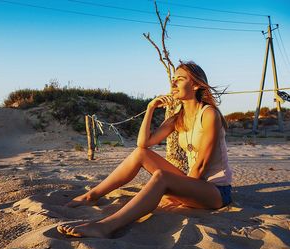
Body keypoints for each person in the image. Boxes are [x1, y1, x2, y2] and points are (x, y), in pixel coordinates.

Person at [57, 61, 232, 238]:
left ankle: (105, 226)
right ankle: (91, 196)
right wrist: (150, 108)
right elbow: (143, 143)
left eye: (180, 79)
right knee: (140, 154)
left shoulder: (209, 114)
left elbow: (201, 165)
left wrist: (180, 191)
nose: (173, 84)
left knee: (162, 177)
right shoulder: (178, 118)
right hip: (194, 183)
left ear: (195, 84)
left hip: (216, 191)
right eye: (173, 79)